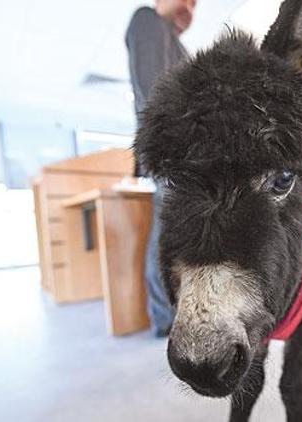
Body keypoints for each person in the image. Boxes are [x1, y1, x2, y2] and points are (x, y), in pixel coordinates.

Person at [126, 0, 195, 337]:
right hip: (172, 155)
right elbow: (156, 94)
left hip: (182, 156)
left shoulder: (175, 42)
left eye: (196, 4)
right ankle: (165, 317)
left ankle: (173, 312)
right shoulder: (149, 22)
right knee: (168, 238)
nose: (190, 7)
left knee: (176, 238)